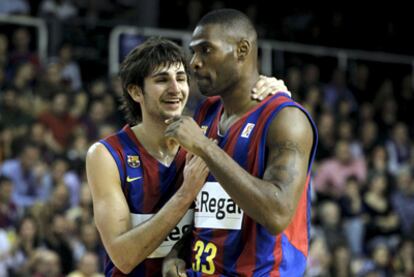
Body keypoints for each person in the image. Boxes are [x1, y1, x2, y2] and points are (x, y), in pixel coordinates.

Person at [85, 37, 286, 276]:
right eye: (162, 80)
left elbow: (245, 105)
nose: (175, 89)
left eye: (180, 78)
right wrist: (185, 194)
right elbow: (123, 257)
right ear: (136, 91)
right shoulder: (107, 155)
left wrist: (272, 94)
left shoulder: (203, 141)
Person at [163, 9, 318, 276]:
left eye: (206, 50)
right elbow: (201, 205)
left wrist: (205, 147)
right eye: (194, 52)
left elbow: (277, 213)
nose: (195, 63)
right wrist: (176, 252)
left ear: (242, 50)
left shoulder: (287, 119)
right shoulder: (206, 112)